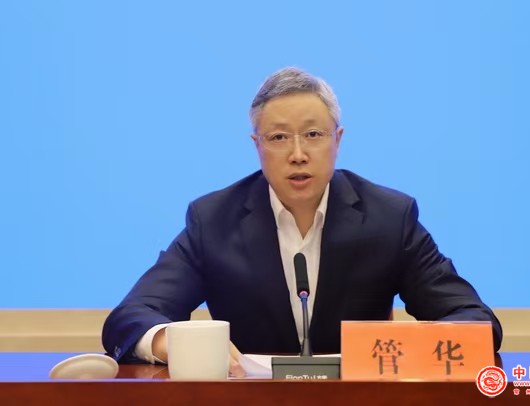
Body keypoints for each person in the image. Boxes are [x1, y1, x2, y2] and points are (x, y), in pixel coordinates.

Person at [102, 67, 502, 375]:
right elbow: (131, 316)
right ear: (257, 146)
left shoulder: (389, 217)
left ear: (337, 140)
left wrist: (410, 344)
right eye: (279, 138)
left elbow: (475, 320)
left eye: (313, 134)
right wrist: (171, 340)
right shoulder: (214, 220)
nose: (297, 154)